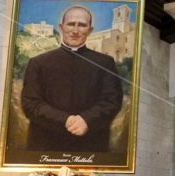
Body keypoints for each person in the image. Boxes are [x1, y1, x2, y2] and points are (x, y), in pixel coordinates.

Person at [21, 5, 123, 152]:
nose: (75, 31)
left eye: (82, 25)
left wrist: (87, 120)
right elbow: (31, 104)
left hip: (91, 146)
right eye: (71, 24)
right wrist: (66, 120)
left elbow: (112, 101)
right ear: (62, 27)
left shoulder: (105, 63)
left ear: (90, 30)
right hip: (46, 145)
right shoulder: (38, 63)